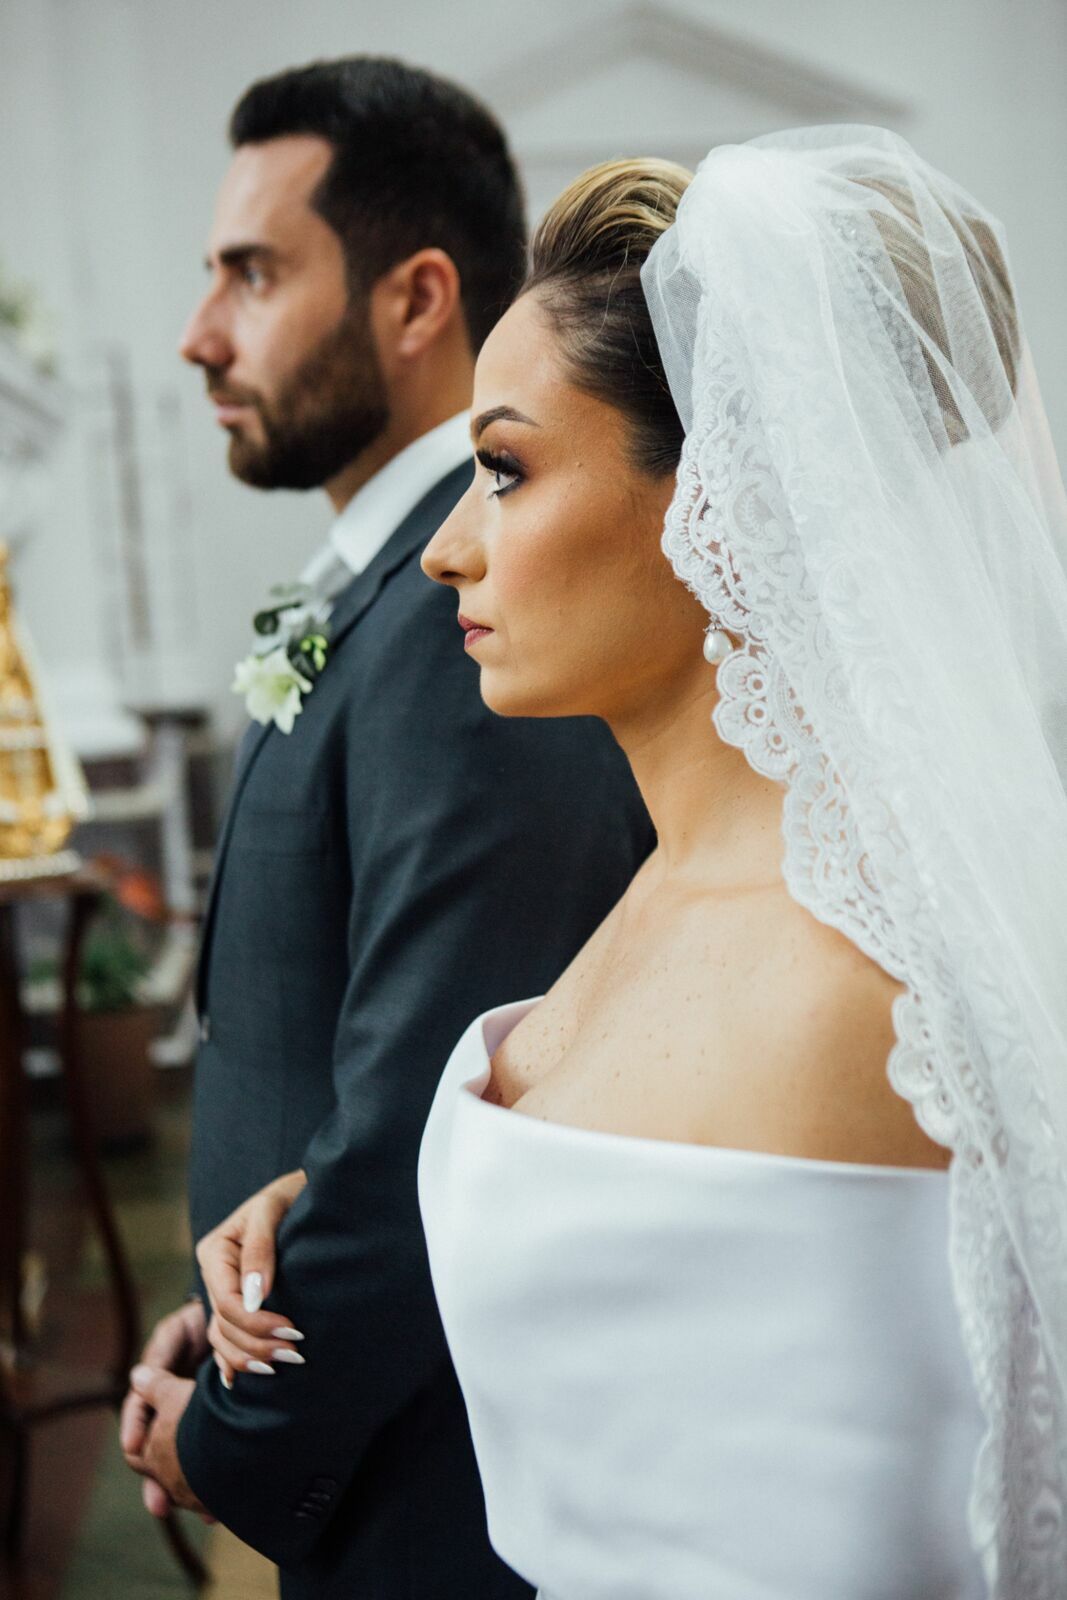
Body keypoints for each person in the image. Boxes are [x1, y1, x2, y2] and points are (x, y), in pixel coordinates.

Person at [203, 131, 1067, 1595]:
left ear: (716, 496)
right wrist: (389, 1183)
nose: (443, 555)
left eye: (504, 472)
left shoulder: (849, 994)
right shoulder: (655, 898)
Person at [118, 58, 652, 1600]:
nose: (198, 332)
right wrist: (209, 1317)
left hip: (425, 1479)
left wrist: (231, 1426)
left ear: (417, 298)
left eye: (253, 272)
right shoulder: (377, 594)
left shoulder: (473, 635)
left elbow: (427, 1106)